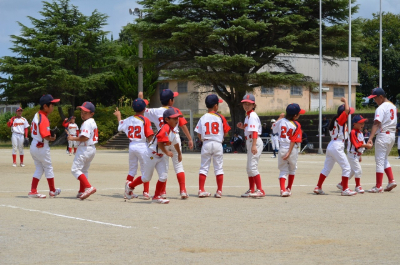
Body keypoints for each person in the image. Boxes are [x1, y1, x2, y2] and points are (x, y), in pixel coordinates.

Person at [139, 89, 192, 199]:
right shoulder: (175, 110)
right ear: (171, 100)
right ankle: (183, 190)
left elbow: (141, 108)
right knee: (178, 165)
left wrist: (140, 98)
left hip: (163, 140)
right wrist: (190, 139)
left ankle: (163, 191)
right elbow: (183, 125)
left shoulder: (154, 111)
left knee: (165, 166)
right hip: (175, 137)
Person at [124, 108, 183, 204]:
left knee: (163, 176)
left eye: (177, 118)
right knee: (146, 178)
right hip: (151, 155)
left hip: (160, 156)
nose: (177, 120)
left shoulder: (172, 131)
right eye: (174, 118)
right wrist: (167, 152)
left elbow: (175, 143)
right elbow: (160, 142)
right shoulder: (165, 128)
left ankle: (156, 196)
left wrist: (179, 154)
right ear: (167, 120)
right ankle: (130, 186)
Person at [314, 97, 356, 196]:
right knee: (346, 168)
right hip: (337, 145)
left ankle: (318, 187)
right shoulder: (340, 120)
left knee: (326, 168)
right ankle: (345, 189)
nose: (349, 113)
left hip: (332, 145)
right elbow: (346, 110)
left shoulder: (335, 121)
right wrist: (346, 101)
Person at [114, 99, 154, 200]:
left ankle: (128, 192)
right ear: (144, 109)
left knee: (132, 170)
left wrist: (118, 116)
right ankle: (145, 192)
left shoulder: (128, 119)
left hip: (132, 146)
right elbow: (149, 136)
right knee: (145, 169)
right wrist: (153, 147)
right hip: (142, 145)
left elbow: (120, 126)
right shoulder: (145, 120)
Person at [195, 94, 231, 198]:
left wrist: (203, 139)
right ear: (216, 106)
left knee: (203, 167)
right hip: (217, 143)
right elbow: (226, 131)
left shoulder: (203, 117)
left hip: (206, 143)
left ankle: (201, 189)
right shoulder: (220, 117)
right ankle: (219, 191)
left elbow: (199, 133)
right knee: (218, 167)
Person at [28, 94, 61, 198]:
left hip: (34, 145)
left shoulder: (37, 115)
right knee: (48, 167)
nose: (53, 107)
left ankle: (33, 191)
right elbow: (45, 135)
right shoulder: (44, 117)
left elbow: (35, 130)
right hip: (41, 146)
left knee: (39, 168)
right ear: (45, 106)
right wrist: (52, 137)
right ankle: (52, 190)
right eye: (52, 105)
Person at [366, 87, 397, 192]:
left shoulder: (381, 108)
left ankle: (378, 186)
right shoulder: (393, 106)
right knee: (384, 159)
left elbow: (376, 123)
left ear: (381, 97)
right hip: (392, 135)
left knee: (379, 160)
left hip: (383, 135)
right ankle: (391, 180)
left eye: (375, 98)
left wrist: (370, 138)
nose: (375, 100)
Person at [272, 103, 305, 197]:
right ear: (295, 115)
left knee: (283, 170)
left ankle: (282, 190)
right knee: (292, 169)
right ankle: (289, 188)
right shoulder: (296, 125)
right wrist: (289, 152)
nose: (299, 115)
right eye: (298, 113)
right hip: (292, 149)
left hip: (282, 148)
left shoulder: (281, 121)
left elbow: (273, 128)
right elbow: (294, 140)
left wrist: (280, 117)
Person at [67, 102, 98, 200]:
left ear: (92, 113)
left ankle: (89, 187)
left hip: (85, 148)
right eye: (82, 111)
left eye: (85, 112)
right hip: (91, 148)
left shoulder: (87, 123)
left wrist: (73, 138)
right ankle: (81, 191)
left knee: (75, 170)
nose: (82, 114)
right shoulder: (92, 122)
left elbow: (84, 137)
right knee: (83, 170)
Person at [237, 94, 265, 198]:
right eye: (245, 103)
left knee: (252, 167)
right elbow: (249, 128)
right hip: (251, 141)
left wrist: (253, 145)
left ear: (253, 105)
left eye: (249, 104)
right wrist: (242, 127)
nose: (246, 105)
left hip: (254, 141)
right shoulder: (248, 116)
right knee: (249, 168)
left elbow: (254, 132)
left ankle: (260, 190)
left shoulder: (252, 116)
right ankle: (252, 189)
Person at [336, 115, 372, 194]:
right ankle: (358, 186)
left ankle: (342, 184)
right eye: (360, 123)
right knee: (358, 170)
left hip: (356, 155)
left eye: (363, 123)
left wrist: (360, 155)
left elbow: (361, 143)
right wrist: (367, 146)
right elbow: (357, 144)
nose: (362, 125)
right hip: (352, 154)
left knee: (352, 171)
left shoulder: (360, 133)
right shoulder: (353, 132)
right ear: (354, 124)